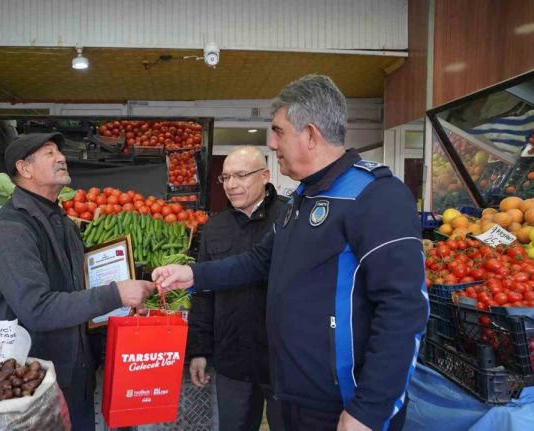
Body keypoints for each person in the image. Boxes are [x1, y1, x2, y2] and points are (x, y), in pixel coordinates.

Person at [153, 75, 428, 431]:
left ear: (311, 135)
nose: (271, 142)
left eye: (278, 131)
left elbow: (404, 308)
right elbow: (258, 260)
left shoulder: (376, 196)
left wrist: (370, 409)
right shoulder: (301, 199)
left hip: (345, 407)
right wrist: (193, 275)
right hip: (292, 396)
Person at [0, 132, 155, 431]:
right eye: (49, 153)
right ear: (25, 168)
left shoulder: (61, 221)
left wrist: (138, 279)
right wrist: (117, 294)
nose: (61, 157)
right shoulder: (11, 228)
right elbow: (37, 308)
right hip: (29, 383)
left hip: (71, 372)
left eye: (59, 151)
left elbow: (82, 281)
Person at [188, 146, 286, 431]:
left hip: (282, 360)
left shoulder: (289, 218)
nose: (231, 185)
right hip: (232, 359)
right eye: (226, 177)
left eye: (241, 175)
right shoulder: (214, 227)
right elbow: (203, 294)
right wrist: (199, 350)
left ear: (265, 176)